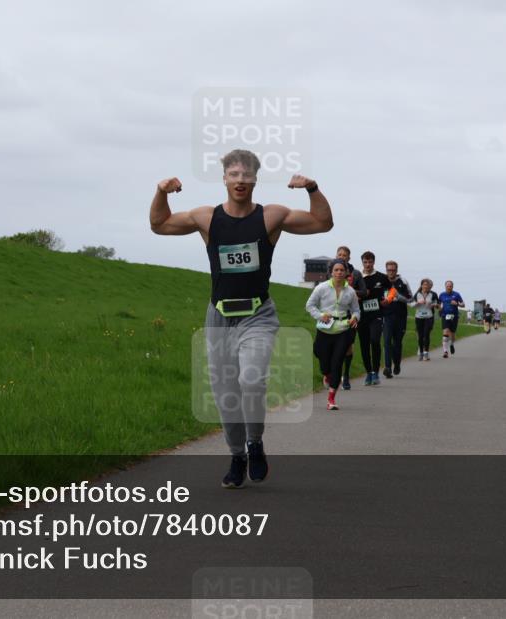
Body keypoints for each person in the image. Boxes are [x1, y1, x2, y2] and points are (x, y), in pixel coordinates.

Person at [150, 149, 332, 488]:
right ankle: (237, 455)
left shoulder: (271, 217)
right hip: (219, 316)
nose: (240, 181)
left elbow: (322, 222)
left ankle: (255, 442)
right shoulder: (207, 218)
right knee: (225, 395)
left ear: (254, 180)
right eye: (233, 175)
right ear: (224, 179)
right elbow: (159, 225)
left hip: (258, 314)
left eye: (246, 176)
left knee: (251, 380)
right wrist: (161, 192)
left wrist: (312, 188)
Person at [307, 259, 360, 410]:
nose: (339, 273)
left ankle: (331, 399)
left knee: (337, 363)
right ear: (331, 272)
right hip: (324, 329)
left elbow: (356, 310)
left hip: (342, 330)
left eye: (342, 270)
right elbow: (309, 305)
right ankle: (326, 374)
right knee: (321, 357)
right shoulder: (321, 288)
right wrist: (320, 315)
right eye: (336, 270)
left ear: (346, 273)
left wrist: (355, 318)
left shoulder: (350, 292)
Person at [329, 246, 367, 390]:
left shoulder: (356, 274)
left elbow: (364, 291)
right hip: (333, 313)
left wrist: (351, 292)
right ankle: (333, 374)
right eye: (340, 254)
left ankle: (346, 376)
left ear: (349, 258)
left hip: (351, 315)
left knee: (348, 346)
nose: (342, 256)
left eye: (345, 255)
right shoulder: (331, 271)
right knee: (332, 346)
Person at [357, 251, 387, 385]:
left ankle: (376, 372)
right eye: (365, 262)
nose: (368, 264)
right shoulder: (357, 277)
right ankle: (368, 372)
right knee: (364, 345)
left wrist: (388, 299)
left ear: (374, 262)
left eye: (370, 262)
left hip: (376, 315)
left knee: (375, 341)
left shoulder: (381, 277)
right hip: (361, 315)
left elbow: (391, 290)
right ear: (362, 262)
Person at [380, 260, 413, 378]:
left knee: (397, 343)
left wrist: (399, 297)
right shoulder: (382, 282)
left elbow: (410, 299)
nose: (391, 272)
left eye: (393, 270)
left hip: (400, 317)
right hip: (387, 316)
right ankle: (388, 367)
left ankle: (397, 364)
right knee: (387, 341)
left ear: (397, 270)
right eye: (389, 270)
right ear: (386, 270)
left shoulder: (403, 282)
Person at [411, 278, 440, 360]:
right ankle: (420, 352)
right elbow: (412, 305)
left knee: (426, 334)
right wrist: (418, 303)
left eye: (427, 285)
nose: (426, 286)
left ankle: (426, 353)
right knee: (420, 336)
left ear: (429, 286)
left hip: (429, 316)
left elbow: (438, 305)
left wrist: (433, 305)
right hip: (419, 317)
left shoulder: (433, 294)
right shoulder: (417, 294)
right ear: (421, 285)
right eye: (424, 285)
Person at [437, 281, 466, 358]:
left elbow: (463, 304)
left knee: (452, 334)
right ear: (445, 286)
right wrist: (439, 309)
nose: (449, 287)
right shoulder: (442, 295)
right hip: (445, 315)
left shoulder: (456, 294)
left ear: (452, 287)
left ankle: (452, 344)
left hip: (454, 316)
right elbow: (439, 304)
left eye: (450, 286)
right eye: (447, 286)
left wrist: (457, 304)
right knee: (445, 331)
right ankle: (445, 351)